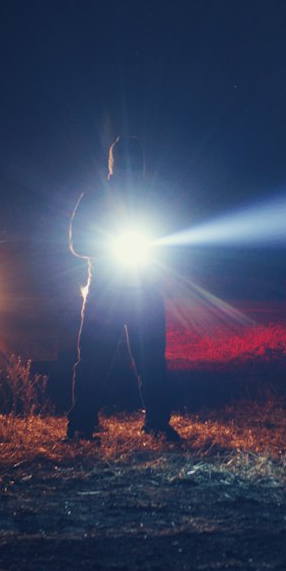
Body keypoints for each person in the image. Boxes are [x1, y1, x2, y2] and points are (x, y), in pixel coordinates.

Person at [65, 135, 181, 444]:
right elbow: (78, 243)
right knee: (94, 361)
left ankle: (156, 423)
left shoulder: (154, 198)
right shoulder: (97, 198)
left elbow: (173, 239)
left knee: (151, 362)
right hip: (108, 291)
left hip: (141, 290)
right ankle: (81, 425)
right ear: (114, 165)